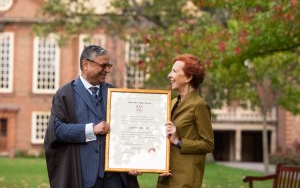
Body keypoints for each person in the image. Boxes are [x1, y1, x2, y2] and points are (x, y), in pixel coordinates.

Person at [44, 45, 140, 188]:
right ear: (86, 65)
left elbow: (130, 130)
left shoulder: (116, 94)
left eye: (108, 65)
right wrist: (92, 129)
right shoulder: (65, 94)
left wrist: (134, 160)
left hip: (115, 178)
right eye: (103, 65)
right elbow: (57, 130)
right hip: (83, 178)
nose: (107, 70)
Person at [157, 54, 214, 188]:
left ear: (188, 77)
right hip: (166, 176)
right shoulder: (172, 102)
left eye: (175, 71)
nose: (169, 75)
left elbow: (208, 144)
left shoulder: (199, 105)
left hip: (185, 179)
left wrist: (178, 141)